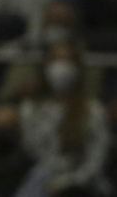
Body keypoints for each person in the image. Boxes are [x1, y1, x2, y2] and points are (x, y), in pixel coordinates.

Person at [18, 45, 110, 195]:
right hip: (40, 185)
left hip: (80, 188)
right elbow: (27, 151)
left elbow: (96, 161)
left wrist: (66, 184)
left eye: (66, 60)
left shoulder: (94, 110)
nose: (60, 67)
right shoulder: (31, 108)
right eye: (55, 60)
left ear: (77, 68)